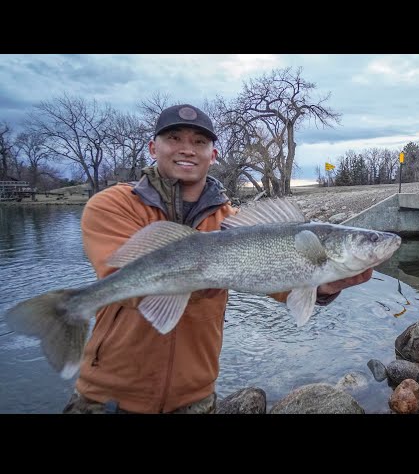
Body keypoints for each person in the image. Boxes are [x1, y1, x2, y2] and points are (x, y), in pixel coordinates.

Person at [62, 104, 372, 414]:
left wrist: (323, 288)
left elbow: (278, 280)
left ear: (213, 155)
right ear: (153, 147)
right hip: (107, 398)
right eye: (174, 138)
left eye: (199, 142)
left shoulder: (233, 222)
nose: (188, 149)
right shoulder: (111, 205)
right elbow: (118, 277)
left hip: (195, 399)